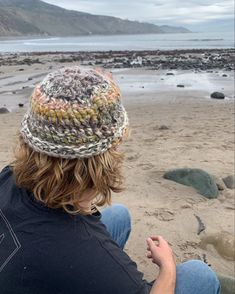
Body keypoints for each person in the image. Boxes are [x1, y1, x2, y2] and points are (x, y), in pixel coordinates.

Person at [0, 66, 220, 294]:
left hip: (31, 263)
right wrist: (167, 267)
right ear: (102, 159)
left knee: (118, 215)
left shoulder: (9, 175)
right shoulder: (84, 251)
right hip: (67, 258)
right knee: (199, 274)